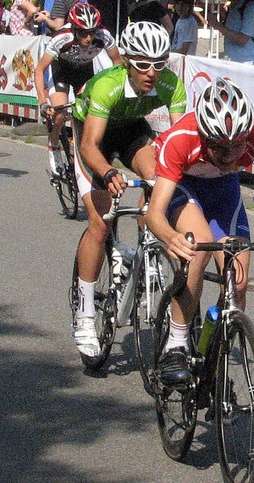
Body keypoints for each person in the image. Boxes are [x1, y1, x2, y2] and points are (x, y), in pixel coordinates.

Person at [145, 78, 254, 384]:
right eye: (218, 148)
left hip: (224, 191)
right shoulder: (181, 137)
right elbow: (154, 214)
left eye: (237, 146)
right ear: (203, 135)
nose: (229, 156)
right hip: (183, 186)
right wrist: (171, 237)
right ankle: (176, 343)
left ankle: (218, 352)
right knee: (198, 245)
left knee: (237, 280)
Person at [70, 21, 187, 357]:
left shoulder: (169, 84)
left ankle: (147, 243)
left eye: (159, 64)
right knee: (100, 222)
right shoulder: (109, 85)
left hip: (131, 129)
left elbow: (178, 142)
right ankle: (85, 313)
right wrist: (107, 172)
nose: (151, 73)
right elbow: (91, 144)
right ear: (125, 61)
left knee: (159, 175)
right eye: (142, 64)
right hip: (94, 136)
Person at [34, 2, 120, 181]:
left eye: (92, 31)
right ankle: (54, 142)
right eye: (82, 32)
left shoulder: (103, 36)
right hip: (61, 72)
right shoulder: (61, 38)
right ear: (73, 29)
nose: (89, 38)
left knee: (92, 112)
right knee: (60, 112)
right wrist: (43, 101)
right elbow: (39, 70)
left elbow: (117, 64)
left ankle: (87, 150)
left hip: (84, 72)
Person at [210, 0, 254, 65]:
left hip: (246, 63)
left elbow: (242, 39)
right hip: (231, 61)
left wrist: (217, 25)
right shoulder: (233, 7)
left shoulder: (251, 8)